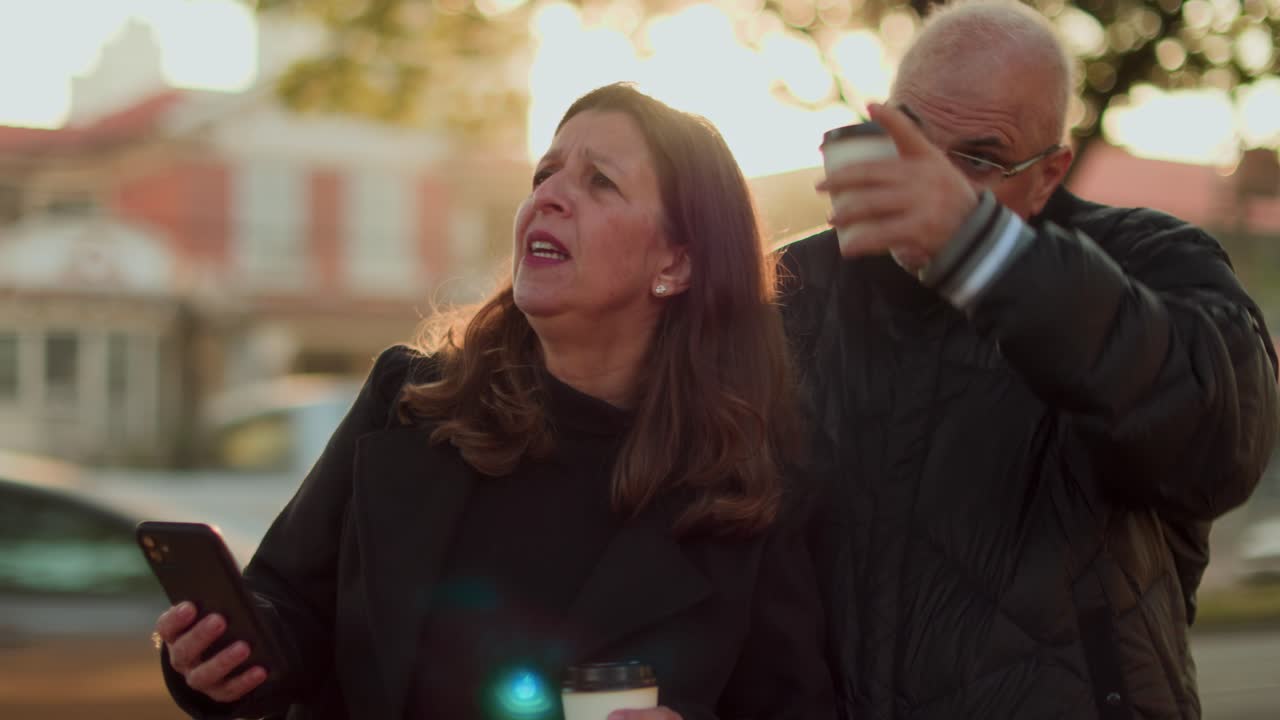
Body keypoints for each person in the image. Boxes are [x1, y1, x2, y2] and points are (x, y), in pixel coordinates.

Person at [152, 83, 834, 720]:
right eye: (545, 174)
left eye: (600, 182)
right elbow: (286, 610)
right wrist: (219, 653)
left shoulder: (749, 492)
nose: (551, 197)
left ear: (677, 264)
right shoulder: (408, 402)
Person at [780, 1, 1280, 718]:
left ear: (1049, 174)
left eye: (978, 161)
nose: (937, 183)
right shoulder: (796, 290)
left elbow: (1222, 437)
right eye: (913, 138)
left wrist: (986, 255)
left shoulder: (1150, 261)